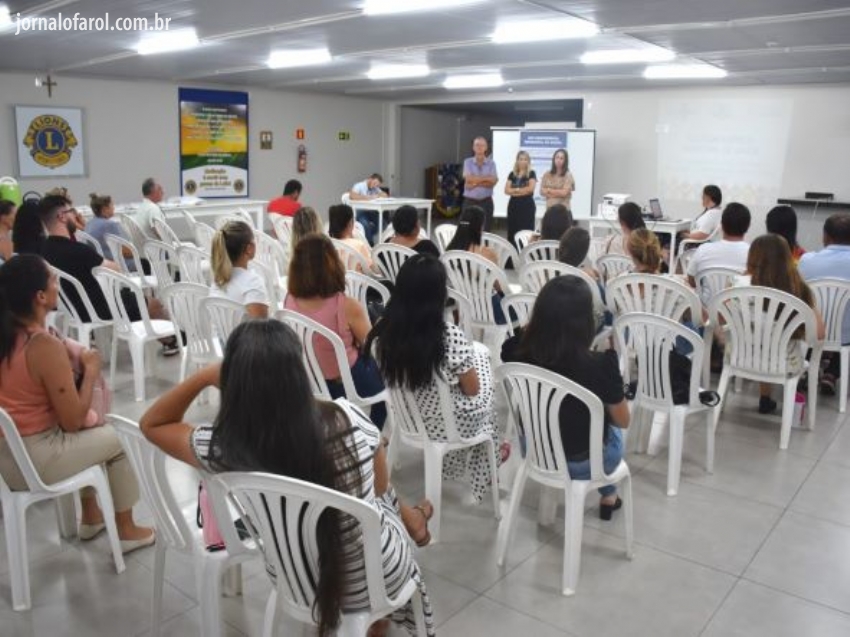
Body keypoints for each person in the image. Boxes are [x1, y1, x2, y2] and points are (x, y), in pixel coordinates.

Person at [139, 320, 435, 637]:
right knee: (378, 502)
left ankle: (410, 524)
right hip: (376, 579)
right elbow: (379, 488)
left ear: (233, 381)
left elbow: (152, 424)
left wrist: (203, 376)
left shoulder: (225, 447)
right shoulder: (347, 417)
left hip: (295, 579)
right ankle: (411, 529)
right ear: (298, 373)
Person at [0, 255, 154, 552]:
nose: (58, 285)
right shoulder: (41, 345)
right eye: (53, 280)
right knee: (122, 437)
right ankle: (126, 529)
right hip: (37, 460)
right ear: (40, 296)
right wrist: (92, 369)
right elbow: (72, 420)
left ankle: (92, 516)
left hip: (7, 460)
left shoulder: (8, 338)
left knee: (91, 431)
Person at [367, 254, 508, 502]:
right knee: (486, 388)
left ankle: (471, 459)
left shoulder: (382, 332)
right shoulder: (447, 336)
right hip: (449, 425)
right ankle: (489, 459)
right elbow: (472, 390)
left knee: (476, 360)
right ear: (438, 294)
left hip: (408, 417)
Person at [502, 276, 630, 520]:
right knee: (608, 428)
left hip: (535, 449)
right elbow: (623, 421)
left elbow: (511, 343)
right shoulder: (602, 365)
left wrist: (533, 328)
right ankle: (609, 495)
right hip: (584, 462)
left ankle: (609, 493)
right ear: (586, 321)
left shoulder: (517, 352)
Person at [39, 196, 178, 355]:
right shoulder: (78, 250)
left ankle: (168, 338)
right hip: (98, 308)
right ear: (62, 217)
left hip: (72, 309)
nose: (75, 215)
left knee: (132, 298)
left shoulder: (44, 250)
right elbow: (115, 269)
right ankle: (173, 341)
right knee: (153, 304)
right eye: (72, 211)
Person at [285, 235, 387, 429]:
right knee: (384, 384)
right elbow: (373, 347)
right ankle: (372, 437)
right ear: (331, 264)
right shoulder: (346, 305)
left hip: (308, 379)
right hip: (345, 382)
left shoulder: (289, 300)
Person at [744, 234, 825, 414]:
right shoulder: (798, 289)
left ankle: (765, 398)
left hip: (742, 357)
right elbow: (819, 334)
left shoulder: (738, 284)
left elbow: (720, 320)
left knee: (763, 340)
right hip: (785, 361)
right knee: (781, 342)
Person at [799, 213, 850, 395]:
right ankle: (832, 373)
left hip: (812, 331)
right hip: (845, 336)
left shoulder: (806, 261)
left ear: (825, 236)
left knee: (811, 319)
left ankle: (807, 368)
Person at [686, 202, 751, 301]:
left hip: (706, 308)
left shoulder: (703, 250)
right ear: (748, 227)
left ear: (722, 225)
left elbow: (691, 281)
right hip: (737, 310)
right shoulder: (753, 254)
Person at [210, 220, 269, 318]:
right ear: (249, 248)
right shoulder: (253, 282)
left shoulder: (217, 282)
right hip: (245, 329)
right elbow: (260, 326)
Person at [85, 193, 134, 264]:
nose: (114, 208)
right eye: (112, 205)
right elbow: (127, 252)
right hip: (117, 264)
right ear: (105, 209)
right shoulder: (110, 225)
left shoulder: (89, 224)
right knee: (146, 263)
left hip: (100, 263)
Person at [462, 137, 498, 231]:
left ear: (486, 147)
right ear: (473, 147)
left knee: (486, 231)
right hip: (470, 202)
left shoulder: (491, 164)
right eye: (477, 145)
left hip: (486, 202)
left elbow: (493, 182)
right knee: (467, 231)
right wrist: (486, 178)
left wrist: (475, 182)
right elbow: (468, 178)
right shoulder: (467, 162)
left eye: (482, 145)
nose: (479, 147)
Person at [328, 203, 376, 272]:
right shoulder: (358, 245)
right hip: (358, 279)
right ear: (350, 223)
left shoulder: (327, 245)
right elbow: (371, 268)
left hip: (336, 278)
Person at [505, 150, 537, 248]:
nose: (523, 161)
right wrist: (522, 191)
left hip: (527, 207)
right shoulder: (512, 174)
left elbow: (530, 189)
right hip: (513, 206)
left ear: (528, 161)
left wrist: (515, 191)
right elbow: (506, 190)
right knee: (512, 231)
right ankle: (512, 255)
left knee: (526, 232)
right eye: (521, 159)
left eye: (525, 159)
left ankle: (526, 254)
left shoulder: (531, 173)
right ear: (517, 161)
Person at [348, 173, 387, 246]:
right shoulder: (359, 186)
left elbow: (385, 195)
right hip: (359, 211)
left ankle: (369, 235)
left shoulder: (375, 188)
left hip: (370, 211)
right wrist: (367, 198)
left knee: (383, 223)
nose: (375, 186)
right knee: (366, 225)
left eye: (377, 185)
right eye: (374, 183)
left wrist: (378, 195)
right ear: (370, 179)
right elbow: (352, 196)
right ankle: (370, 243)